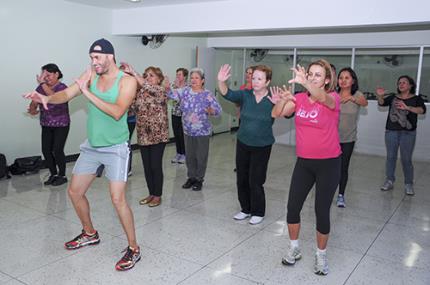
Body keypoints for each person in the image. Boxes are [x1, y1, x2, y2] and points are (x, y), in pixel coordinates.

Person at [24, 38, 141, 271]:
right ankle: (90, 233)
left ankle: (134, 248)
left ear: (110, 56)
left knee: (118, 199)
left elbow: (117, 112)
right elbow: (67, 94)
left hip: (116, 148)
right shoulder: (91, 74)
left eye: (97, 58)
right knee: (75, 192)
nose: (93, 62)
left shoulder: (126, 81)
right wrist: (47, 98)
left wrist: (86, 92)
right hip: (92, 146)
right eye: (91, 58)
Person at [272, 59, 340, 275]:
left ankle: (321, 256)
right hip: (304, 163)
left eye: (318, 74)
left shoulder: (333, 99)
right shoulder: (300, 98)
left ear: (327, 79)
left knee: (321, 211)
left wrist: (305, 83)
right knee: (292, 207)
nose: (312, 77)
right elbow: (277, 114)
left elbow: (321, 97)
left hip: (329, 163)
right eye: (310, 73)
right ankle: (294, 249)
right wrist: (282, 101)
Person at [217, 64, 275, 225]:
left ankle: (258, 211)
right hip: (243, 143)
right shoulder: (245, 95)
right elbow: (227, 93)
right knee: (241, 178)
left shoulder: (272, 98)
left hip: (262, 146)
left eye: (259, 78)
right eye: (253, 77)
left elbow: (288, 113)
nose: (255, 81)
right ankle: (245, 209)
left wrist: (280, 103)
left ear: (267, 81)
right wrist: (221, 81)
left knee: (255, 180)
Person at [166, 68, 222, 191]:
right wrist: (166, 86)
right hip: (187, 131)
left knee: (201, 156)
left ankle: (199, 179)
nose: (193, 80)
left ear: (202, 80)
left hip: (202, 132)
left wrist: (211, 111)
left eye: (197, 78)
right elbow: (170, 94)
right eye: (192, 78)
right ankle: (191, 177)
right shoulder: (185, 91)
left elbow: (218, 111)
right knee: (190, 156)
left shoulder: (207, 95)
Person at [121, 62, 169, 207]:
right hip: (143, 135)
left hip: (158, 136)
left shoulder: (161, 91)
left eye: (151, 75)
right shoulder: (140, 93)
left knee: (155, 166)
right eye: (146, 75)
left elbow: (149, 87)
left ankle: (158, 195)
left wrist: (134, 74)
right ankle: (151, 193)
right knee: (147, 167)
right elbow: (131, 109)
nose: (148, 78)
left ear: (159, 79)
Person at [376, 75, 426, 195]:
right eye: (399, 83)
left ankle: (408, 183)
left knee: (406, 159)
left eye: (404, 82)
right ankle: (389, 180)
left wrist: (407, 107)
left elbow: (422, 110)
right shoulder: (393, 97)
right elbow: (382, 103)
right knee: (391, 157)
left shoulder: (416, 98)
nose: (401, 84)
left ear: (411, 85)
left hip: (408, 133)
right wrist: (380, 96)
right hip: (391, 132)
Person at [27, 63, 70, 186]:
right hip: (46, 124)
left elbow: (53, 97)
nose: (45, 78)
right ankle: (53, 174)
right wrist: (32, 109)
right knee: (46, 150)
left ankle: (62, 175)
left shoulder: (63, 88)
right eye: (44, 75)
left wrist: (42, 84)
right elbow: (34, 101)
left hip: (61, 124)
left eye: (48, 75)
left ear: (57, 74)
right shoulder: (41, 88)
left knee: (57, 150)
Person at [336, 67, 368, 207]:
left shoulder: (358, 95)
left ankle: (341, 195)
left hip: (348, 139)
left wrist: (351, 98)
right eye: (341, 77)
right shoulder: (333, 94)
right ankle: (327, 192)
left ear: (353, 80)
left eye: (346, 78)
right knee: (329, 168)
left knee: (343, 168)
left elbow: (364, 103)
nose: (343, 80)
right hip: (331, 138)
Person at [170, 68, 188, 164]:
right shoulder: (174, 85)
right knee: (176, 134)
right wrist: (174, 88)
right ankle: (178, 153)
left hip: (184, 114)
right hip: (175, 112)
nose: (177, 76)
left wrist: (177, 88)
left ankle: (184, 154)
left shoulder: (187, 87)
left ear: (184, 76)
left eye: (179, 74)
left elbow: (182, 100)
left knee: (182, 134)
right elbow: (170, 96)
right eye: (177, 74)